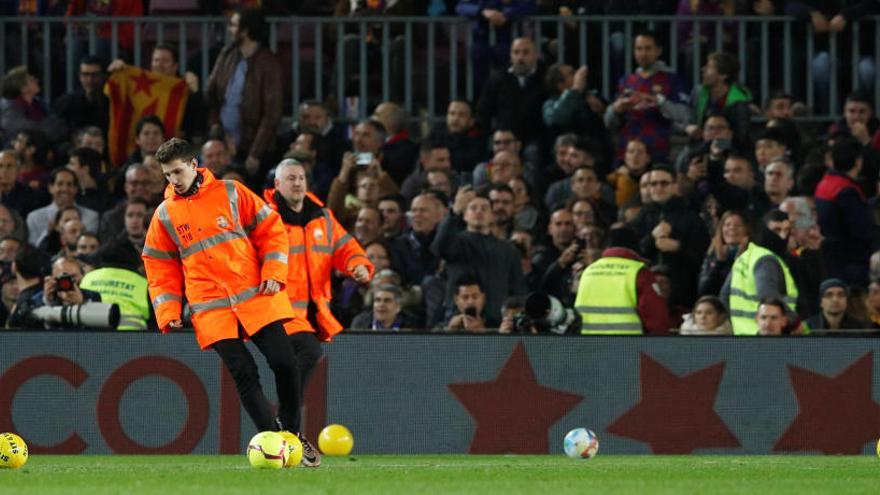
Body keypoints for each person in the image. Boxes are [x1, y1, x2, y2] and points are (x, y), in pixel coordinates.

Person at [141, 139, 314, 466]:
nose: (173, 180)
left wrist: (274, 269)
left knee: (285, 363)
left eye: (177, 171)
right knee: (244, 373)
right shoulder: (165, 215)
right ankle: (273, 444)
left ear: (194, 165)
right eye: (167, 175)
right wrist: (167, 309)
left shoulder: (232, 192)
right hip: (211, 308)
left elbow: (271, 230)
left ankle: (291, 433)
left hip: (255, 295)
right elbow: (158, 264)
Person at [206, 7, 282, 177]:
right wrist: (220, 135)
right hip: (225, 145)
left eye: (233, 25)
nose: (229, 29)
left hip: (253, 151)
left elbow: (272, 114)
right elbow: (212, 96)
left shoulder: (269, 63)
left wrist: (255, 154)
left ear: (245, 31)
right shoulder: (228, 55)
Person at [574, 226, 670, 335]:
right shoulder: (639, 272)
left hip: (587, 346)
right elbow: (657, 319)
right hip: (628, 347)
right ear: (635, 247)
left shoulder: (588, 271)